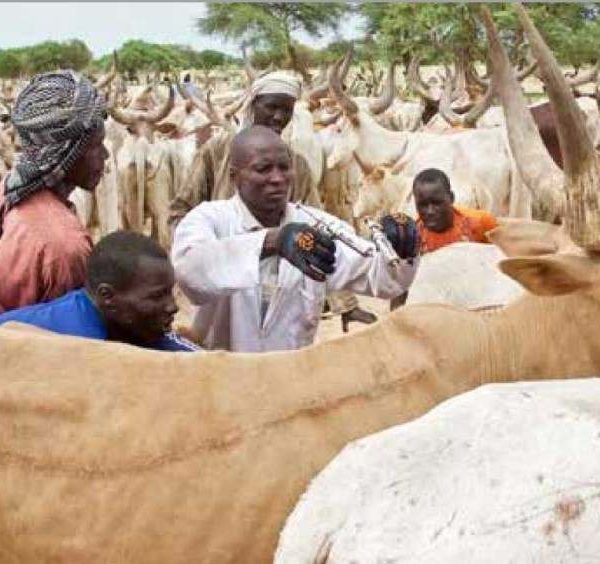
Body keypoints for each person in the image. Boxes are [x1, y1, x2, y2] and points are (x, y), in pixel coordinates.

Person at [171, 126, 420, 353]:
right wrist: (271, 241)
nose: (278, 178)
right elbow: (191, 274)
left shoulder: (316, 224)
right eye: (263, 169)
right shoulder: (209, 218)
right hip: (222, 377)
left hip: (290, 381)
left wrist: (400, 247)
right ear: (234, 177)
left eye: (284, 167)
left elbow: (382, 279)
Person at [168, 70, 376, 330]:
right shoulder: (217, 151)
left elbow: (320, 232)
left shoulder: (295, 164)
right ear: (254, 105)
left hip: (282, 290)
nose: (279, 116)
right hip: (223, 289)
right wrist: (199, 261)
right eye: (271, 107)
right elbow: (181, 211)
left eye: (286, 109)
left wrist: (346, 304)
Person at [0, 70, 109, 313]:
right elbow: (70, 341)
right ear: (64, 152)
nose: (106, 155)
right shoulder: (65, 249)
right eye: (95, 145)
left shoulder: (9, 189)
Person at [0, 231, 200, 352]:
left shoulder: (145, 333)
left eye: (170, 292)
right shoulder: (60, 345)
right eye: (157, 296)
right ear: (107, 297)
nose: (173, 307)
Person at [413, 168, 498, 254]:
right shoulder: (412, 237)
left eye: (437, 203)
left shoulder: (481, 222)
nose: (430, 211)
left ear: (451, 198)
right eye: (423, 205)